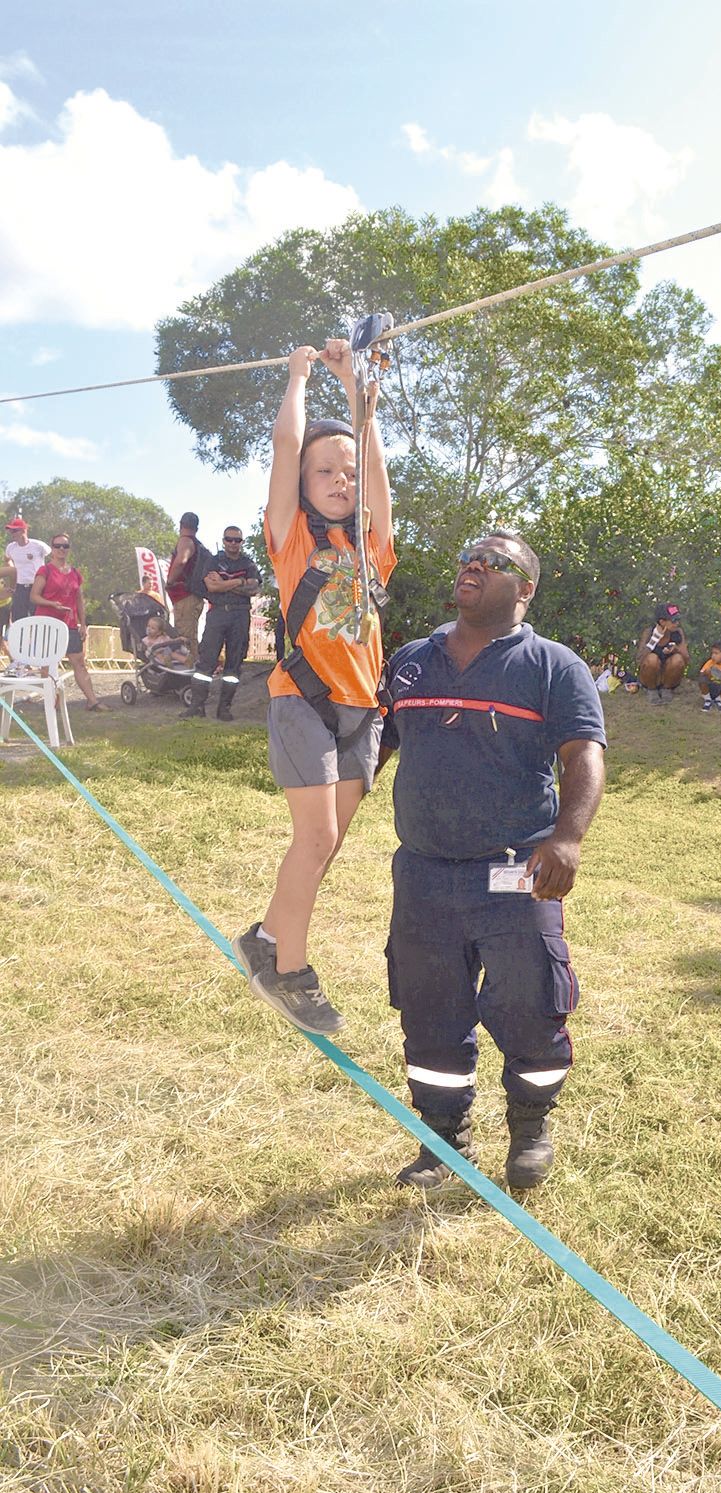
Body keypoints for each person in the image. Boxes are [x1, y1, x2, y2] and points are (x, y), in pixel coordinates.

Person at [380, 530, 606, 1191]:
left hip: (515, 872)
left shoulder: (552, 666)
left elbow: (583, 754)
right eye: (467, 557)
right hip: (422, 871)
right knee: (429, 1012)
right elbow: (373, 748)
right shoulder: (411, 660)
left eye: (494, 561)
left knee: (531, 1005)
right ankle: (443, 1144)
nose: (473, 565)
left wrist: (567, 837)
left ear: (525, 589)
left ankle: (531, 1126)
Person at [231, 339, 395, 1036]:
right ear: (301, 482)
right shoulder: (289, 536)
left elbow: (375, 466)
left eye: (346, 472)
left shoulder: (372, 546)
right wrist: (298, 376)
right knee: (316, 835)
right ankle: (289, 974)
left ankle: (265, 937)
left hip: (363, 712)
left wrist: (358, 397)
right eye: (323, 470)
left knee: (324, 848)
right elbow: (285, 444)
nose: (339, 478)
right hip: (301, 698)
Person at [182, 527, 262, 721]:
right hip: (217, 614)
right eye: (229, 539)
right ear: (224, 540)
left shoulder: (248, 562)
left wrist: (226, 582)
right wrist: (241, 582)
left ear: (242, 542)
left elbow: (255, 588)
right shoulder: (214, 561)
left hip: (240, 616)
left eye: (237, 540)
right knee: (206, 662)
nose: (233, 543)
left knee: (234, 664)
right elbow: (211, 586)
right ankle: (196, 707)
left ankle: (224, 709)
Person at [29, 533, 109, 710]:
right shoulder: (45, 570)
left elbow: (79, 600)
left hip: (69, 624)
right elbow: (34, 596)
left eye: (65, 546)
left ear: (69, 549)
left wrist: (83, 623)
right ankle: (52, 701)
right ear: (52, 549)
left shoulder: (74, 573)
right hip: (47, 622)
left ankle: (92, 701)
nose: (61, 549)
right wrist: (52, 604)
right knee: (48, 664)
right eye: (58, 546)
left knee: (79, 661)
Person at [166, 512, 204, 661]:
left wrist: (170, 581)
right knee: (191, 637)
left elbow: (181, 560)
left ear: (181, 525)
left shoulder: (186, 541)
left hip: (185, 596)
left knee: (185, 638)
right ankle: (192, 673)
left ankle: (188, 675)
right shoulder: (198, 544)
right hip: (194, 596)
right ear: (197, 527)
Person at [637, 602, 688, 703]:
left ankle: (666, 689)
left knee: (678, 659)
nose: (677, 623)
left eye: (678, 620)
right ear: (662, 621)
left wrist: (676, 649)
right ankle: (651, 690)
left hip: (668, 676)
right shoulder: (649, 632)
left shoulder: (677, 632)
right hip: (650, 676)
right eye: (673, 621)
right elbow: (639, 659)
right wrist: (654, 640)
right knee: (652, 659)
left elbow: (686, 658)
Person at [5, 517, 49, 624]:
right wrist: (12, 573)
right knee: (18, 618)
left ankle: (37, 640)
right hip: (19, 587)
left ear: (24, 530)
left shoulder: (38, 546)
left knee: (37, 617)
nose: (12, 533)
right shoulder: (11, 548)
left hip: (36, 586)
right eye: (11, 531)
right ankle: (20, 640)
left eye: (15, 530)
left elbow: (52, 560)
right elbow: (7, 560)